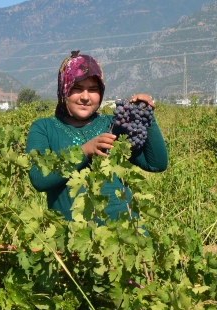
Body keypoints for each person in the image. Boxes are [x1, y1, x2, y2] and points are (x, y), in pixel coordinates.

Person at [25, 51, 168, 222]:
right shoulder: (44, 128)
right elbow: (39, 179)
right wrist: (85, 151)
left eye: (93, 90)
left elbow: (156, 164)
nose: (85, 97)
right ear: (64, 90)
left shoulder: (115, 125)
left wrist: (146, 115)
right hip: (71, 238)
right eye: (77, 89)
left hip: (123, 236)